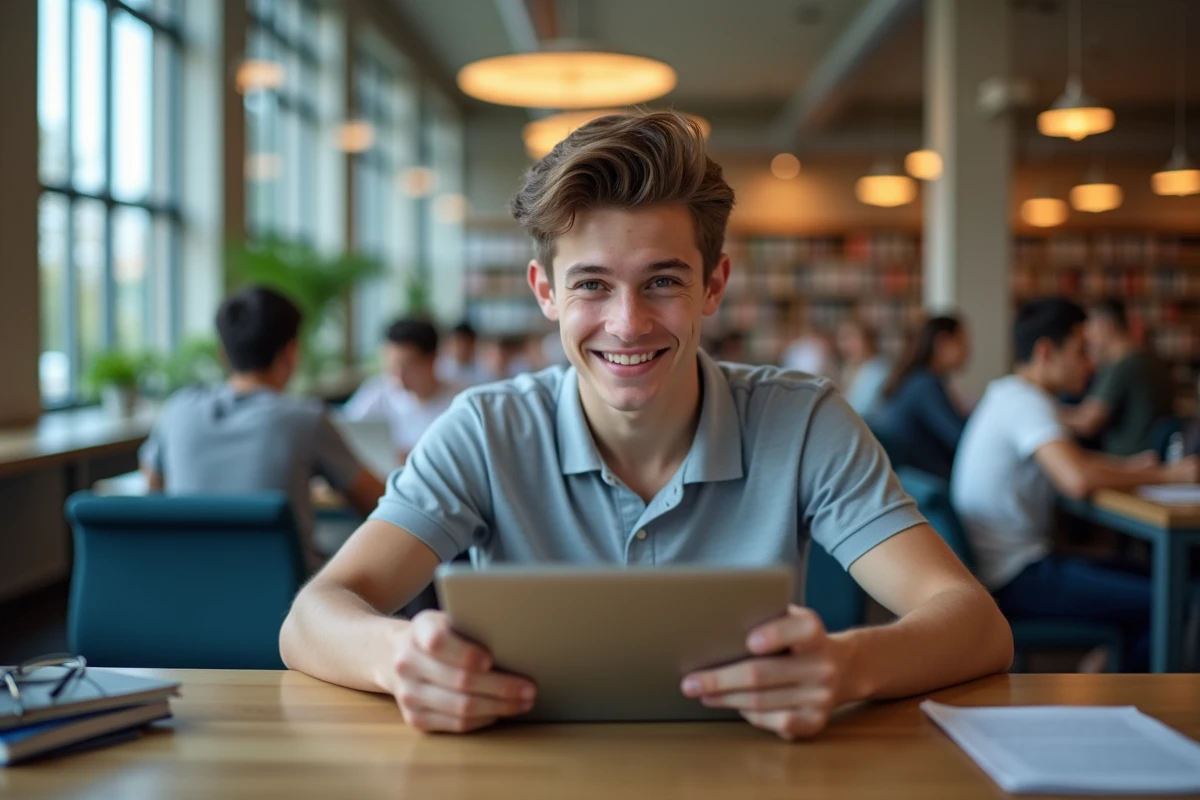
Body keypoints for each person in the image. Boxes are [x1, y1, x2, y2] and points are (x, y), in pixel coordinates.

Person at [280, 111, 1011, 740]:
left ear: (713, 285)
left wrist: (850, 664)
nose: (627, 325)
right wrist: (396, 655)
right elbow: (313, 616)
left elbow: (975, 623)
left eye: (662, 281)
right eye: (592, 285)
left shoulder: (803, 419)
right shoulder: (484, 428)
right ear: (546, 293)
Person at [951, 298, 1198, 672]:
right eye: (1081, 350)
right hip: (1017, 577)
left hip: (1005, 567)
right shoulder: (1026, 403)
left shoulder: (1007, 393)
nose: (1092, 363)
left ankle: (1108, 666)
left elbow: (1069, 459)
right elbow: (1077, 479)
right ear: (1046, 351)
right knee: (1174, 598)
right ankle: (1127, 694)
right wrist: (1167, 476)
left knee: (1159, 578)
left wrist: (1126, 466)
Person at [139, 286, 386, 571]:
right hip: (287, 605)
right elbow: (378, 505)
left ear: (223, 354)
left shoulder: (176, 410)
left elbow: (154, 495)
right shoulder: (305, 420)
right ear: (291, 353)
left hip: (187, 588)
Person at [1060, 299, 1174, 456]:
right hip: (1153, 453)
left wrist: (1043, 410)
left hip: (1128, 460)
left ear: (1105, 326)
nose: (1086, 335)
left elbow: (1087, 422)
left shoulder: (1122, 363)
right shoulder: (1150, 357)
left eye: (1089, 326)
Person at [344, 319, 461, 465]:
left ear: (432, 360)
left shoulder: (459, 402)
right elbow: (346, 431)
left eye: (407, 366)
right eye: (392, 366)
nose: (399, 376)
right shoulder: (377, 391)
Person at [869, 316, 970, 480]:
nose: (968, 352)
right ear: (942, 342)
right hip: (926, 481)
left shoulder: (912, 379)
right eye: (961, 343)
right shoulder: (925, 384)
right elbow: (960, 437)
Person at [835, 319, 890, 417]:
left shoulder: (878, 370)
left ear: (868, 340)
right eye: (843, 339)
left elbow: (862, 409)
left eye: (852, 338)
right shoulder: (849, 369)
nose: (846, 345)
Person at [437, 322, 491, 387]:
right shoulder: (440, 368)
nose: (462, 348)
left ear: (473, 343)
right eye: (458, 343)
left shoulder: (484, 371)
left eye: (466, 343)